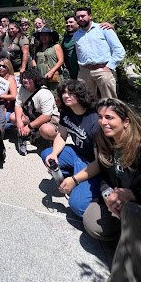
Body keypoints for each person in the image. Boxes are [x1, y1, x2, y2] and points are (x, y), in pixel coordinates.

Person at [74, 99, 141, 282]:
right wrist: (108, 196)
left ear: (126, 121)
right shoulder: (104, 141)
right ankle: (126, 238)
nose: (103, 122)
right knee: (91, 221)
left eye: (109, 117)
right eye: (100, 117)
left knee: (130, 211)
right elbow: (105, 177)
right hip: (119, 204)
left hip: (140, 206)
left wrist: (133, 195)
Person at [41, 79, 100, 217]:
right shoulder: (67, 112)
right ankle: (72, 180)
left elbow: (100, 162)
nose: (66, 95)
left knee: (77, 206)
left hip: (94, 164)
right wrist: (55, 154)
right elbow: (61, 135)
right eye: (64, 92)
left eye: (71, 92)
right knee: (47, 155)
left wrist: (75, 180)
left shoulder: (94, 121)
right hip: (77, 154)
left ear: (81, 94)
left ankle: (87, 190)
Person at [74, 7, 125, 99]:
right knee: (85, 101)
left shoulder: (104, 29)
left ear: (90, 16)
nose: (80, 19)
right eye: (78, 17)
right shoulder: (76, 35)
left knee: (109, 100)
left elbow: (119, 50)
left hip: (103, 70)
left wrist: (109, 66)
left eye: (83, 16)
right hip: (84, 72)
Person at [11, 68, 59, 155]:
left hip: (48, 119)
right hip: (32, 115)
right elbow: (18, 105)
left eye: (29, 78)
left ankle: (55, 139)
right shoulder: (22, 89)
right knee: (13, 117)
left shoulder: (44, 93)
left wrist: (29, 126)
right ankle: (24, 136)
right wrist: (19, 121)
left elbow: (46, 116)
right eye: (24, 78)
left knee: (45, 129)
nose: (26, 80)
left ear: (35, 79)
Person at [33, 27, 64, 93]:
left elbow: (61, 61)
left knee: (56, 96)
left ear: (51, 37)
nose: (43, 37)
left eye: (45, 35)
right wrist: (35, 70)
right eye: (41, 35)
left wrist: (51, 72)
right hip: (41, 76)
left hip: (54, 76)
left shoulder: (56, 46)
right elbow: (34, 60)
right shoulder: (38, 48)